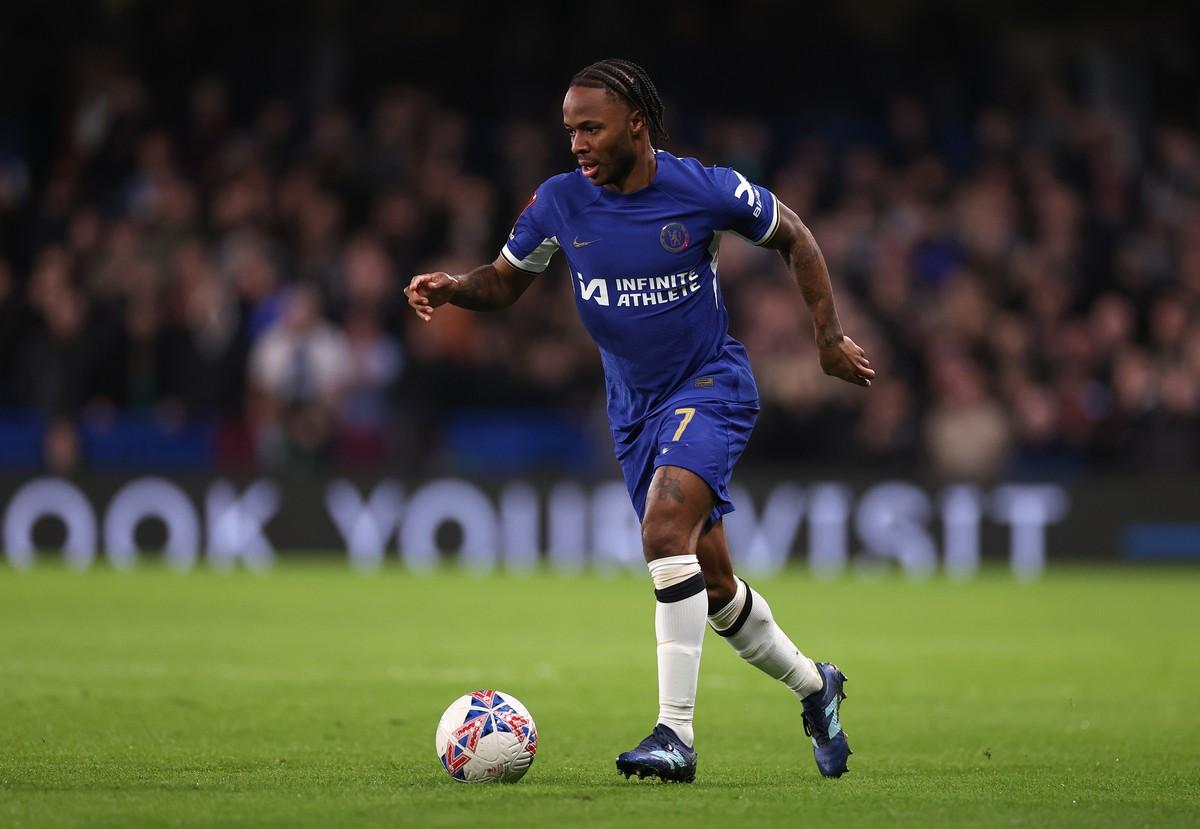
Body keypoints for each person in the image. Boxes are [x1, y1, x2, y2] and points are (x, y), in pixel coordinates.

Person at [404, 59, 873, 783]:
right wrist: (455, 288)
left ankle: (674, 736)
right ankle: (817, 686)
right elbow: (504, 281)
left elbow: (796, 236)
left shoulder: (703, 189)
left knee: (662, 531)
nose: (577, 144)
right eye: (570, 131)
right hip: (632, 411)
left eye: (590, 128)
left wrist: (828, 337)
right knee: (712, 587)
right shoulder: (560, 202)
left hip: (709, 385)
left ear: (636, 125)